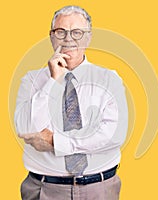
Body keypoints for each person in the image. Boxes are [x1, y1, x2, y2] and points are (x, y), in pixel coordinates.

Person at [14, 5, 128, 200]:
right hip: (44, 189)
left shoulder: (110, 79)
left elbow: (113, 135)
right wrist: (53, 81)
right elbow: (26, 128)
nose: (69, 39)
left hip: (100, 189)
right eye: (61, 32)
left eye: (77, 32)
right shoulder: (31, 80)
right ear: (51, 36)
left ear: (89, 37)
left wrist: (56, 142)